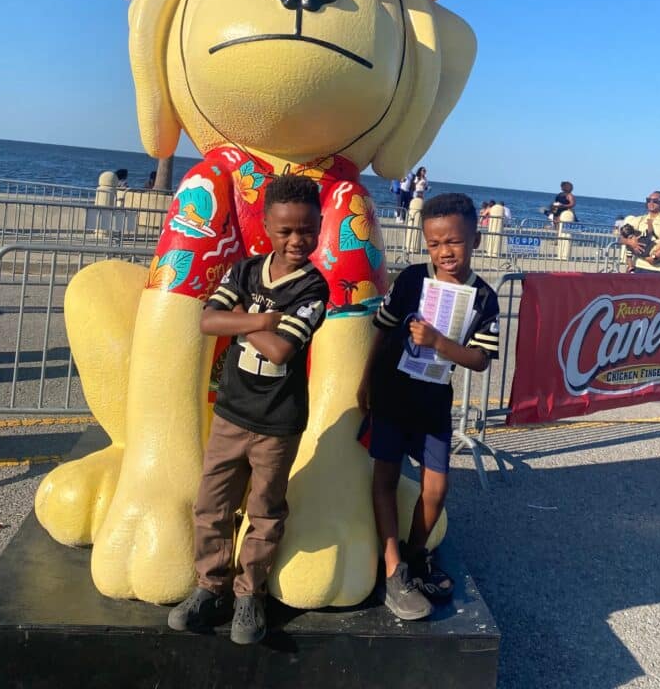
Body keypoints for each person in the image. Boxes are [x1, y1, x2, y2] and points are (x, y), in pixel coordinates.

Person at [168, 175, 329, 644]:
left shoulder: (314, 289)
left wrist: (238, 322)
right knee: (212, 504)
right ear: (266, 226)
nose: (297, 240)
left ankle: (248, 594)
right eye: (286, 231)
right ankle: (209, 586)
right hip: (231, 414)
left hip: (277, 425)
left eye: (307, 230)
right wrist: (259, 319)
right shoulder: (243, 271)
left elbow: (281, 350)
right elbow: (206, 320)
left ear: (319, 225)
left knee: (264, 511)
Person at [357, 193, 499, 619]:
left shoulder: (485, 297)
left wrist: (439, 343)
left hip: (434, 401)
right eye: (434, 244)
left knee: (436, 488)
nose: (444, 252)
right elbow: (381, 331)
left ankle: (416, 553)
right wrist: (366, 379)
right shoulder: (411, 280)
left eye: (453, 241)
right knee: (384, 477)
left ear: (475, 237)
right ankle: (393, 566)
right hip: (392, 393)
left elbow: (480, 359)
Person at [618, 192, 660, 274]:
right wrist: (630, 242)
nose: (651, 203)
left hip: (655, 270)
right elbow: (620, 239)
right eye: (648, 200)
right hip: (636, 267)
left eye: (655, 201)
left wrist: (654, 256)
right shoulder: (639, 219)